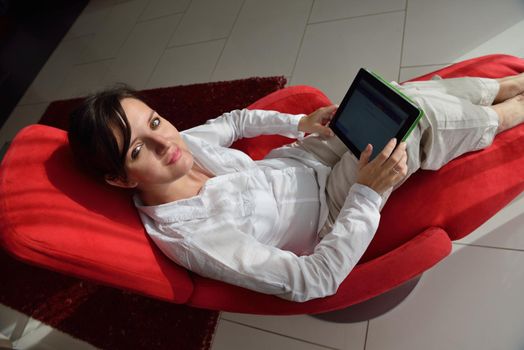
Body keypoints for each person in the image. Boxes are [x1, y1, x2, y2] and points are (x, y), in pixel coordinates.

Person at [68, 74, 524, 302]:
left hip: (300, 159)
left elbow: (235, 122)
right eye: (136, 150)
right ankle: (510, 111)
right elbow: (314, 280)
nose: (165, 142)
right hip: (331, 206)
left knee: (389, 96)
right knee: (408, 127)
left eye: (154, 120)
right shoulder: (193, 237)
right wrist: (366, 193)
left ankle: (499, 86)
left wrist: (298, 123)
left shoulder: (178, 145)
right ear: (119, 178)